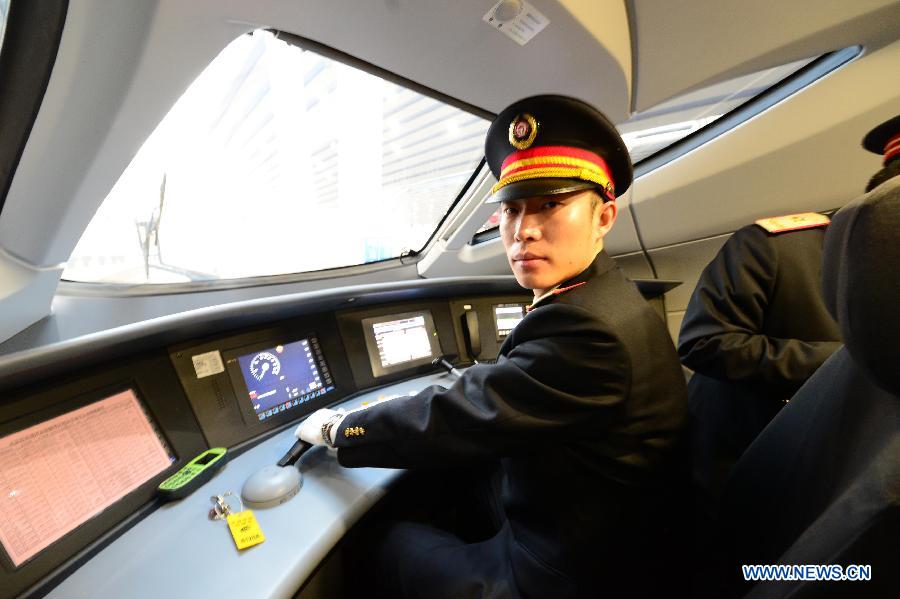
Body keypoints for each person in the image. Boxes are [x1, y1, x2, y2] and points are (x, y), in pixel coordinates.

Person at [298, 95, 689, 598]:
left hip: (569, 574)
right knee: (455, 481)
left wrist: (337, 428)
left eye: (551, 204)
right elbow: (502, 397)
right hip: (604, 526)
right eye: (511, 209)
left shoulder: (587, 329)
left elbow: (454, 417)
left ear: (604, 217)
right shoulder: (609, 296)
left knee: (380, 538)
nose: (523, 230)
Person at [678, 209, 843, 504]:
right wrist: (840, 361)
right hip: (745, 463)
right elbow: (703, 342)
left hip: (834, 467)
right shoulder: (773, 246)